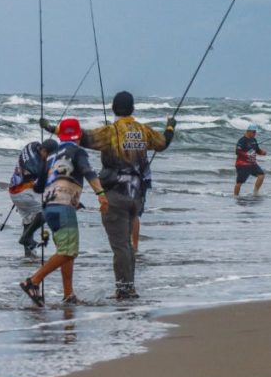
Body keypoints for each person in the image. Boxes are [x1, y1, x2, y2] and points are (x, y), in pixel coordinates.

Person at [41, 91, 176, 300]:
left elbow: (81, 137)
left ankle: (125, 289)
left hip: (115, 194)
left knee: (120, 245)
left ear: (113, 109)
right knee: (128, 244)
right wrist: (170, 126)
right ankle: (129, 287)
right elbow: (163, 143)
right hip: (137, 195)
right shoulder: (144, 131)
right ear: (132, 109)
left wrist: (51, 128)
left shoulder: (110, 132)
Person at [19, 118, 108, 306]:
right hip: (63, 207)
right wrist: (101, 194)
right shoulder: (77, 151)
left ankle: (69, 294)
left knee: (64, 251)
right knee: (69, 251)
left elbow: (38, 187)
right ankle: (32, 282)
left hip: (48, 209)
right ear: (79, 136)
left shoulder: (50, 156)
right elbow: (88, 171)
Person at [9, 139, 58, 257]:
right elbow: (41, 186)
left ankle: (28, 253)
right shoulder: (36, 167)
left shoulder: (31, 145)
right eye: (49, 155)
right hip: (24, 194)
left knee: (29, 220)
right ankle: (25, 238)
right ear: (44, 150)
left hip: (14, 190)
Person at [234, 124, 266, 196]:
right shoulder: (242, 140)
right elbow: (237, 151)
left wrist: (262, 152)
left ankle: (255, 193)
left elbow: (257, 150)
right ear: (248, 131)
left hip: (252, 164)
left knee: (261, 175)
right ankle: (235, 196)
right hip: (242, 164)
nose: (255, 133)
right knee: (239, 182)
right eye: (253, 132)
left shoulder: (254, 140)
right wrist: (246, 154)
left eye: (255, 132)